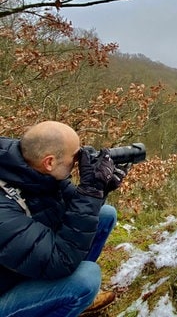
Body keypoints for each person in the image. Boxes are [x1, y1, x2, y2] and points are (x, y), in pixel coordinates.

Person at [0, 121, 128, 316]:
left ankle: (66, 300)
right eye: (75, 157)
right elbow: (60, 259)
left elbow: (78, 208)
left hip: (22, 267)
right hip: (5, 290)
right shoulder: (3, 209)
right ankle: (66, 297)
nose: (79, 162)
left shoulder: (33, 169)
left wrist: (100, 187)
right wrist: (90, 190)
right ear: (50, 162)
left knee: (105, 215)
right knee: (86, 279)